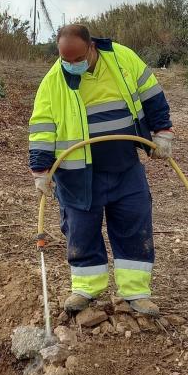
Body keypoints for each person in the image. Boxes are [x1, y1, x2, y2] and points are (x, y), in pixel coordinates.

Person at [28, 24, 173, 316]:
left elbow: (152, 95)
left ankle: (136, 292)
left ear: (92, 46)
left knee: (134, 223)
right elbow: (42, 127)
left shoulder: (122, 59)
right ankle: (86, 288)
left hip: (124, 166)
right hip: (77, 174)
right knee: (81, 230)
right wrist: (40, 171)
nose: (71, 66)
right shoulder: (53, 80)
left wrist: (163, 132)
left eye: (77, 59)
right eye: (65, 60)